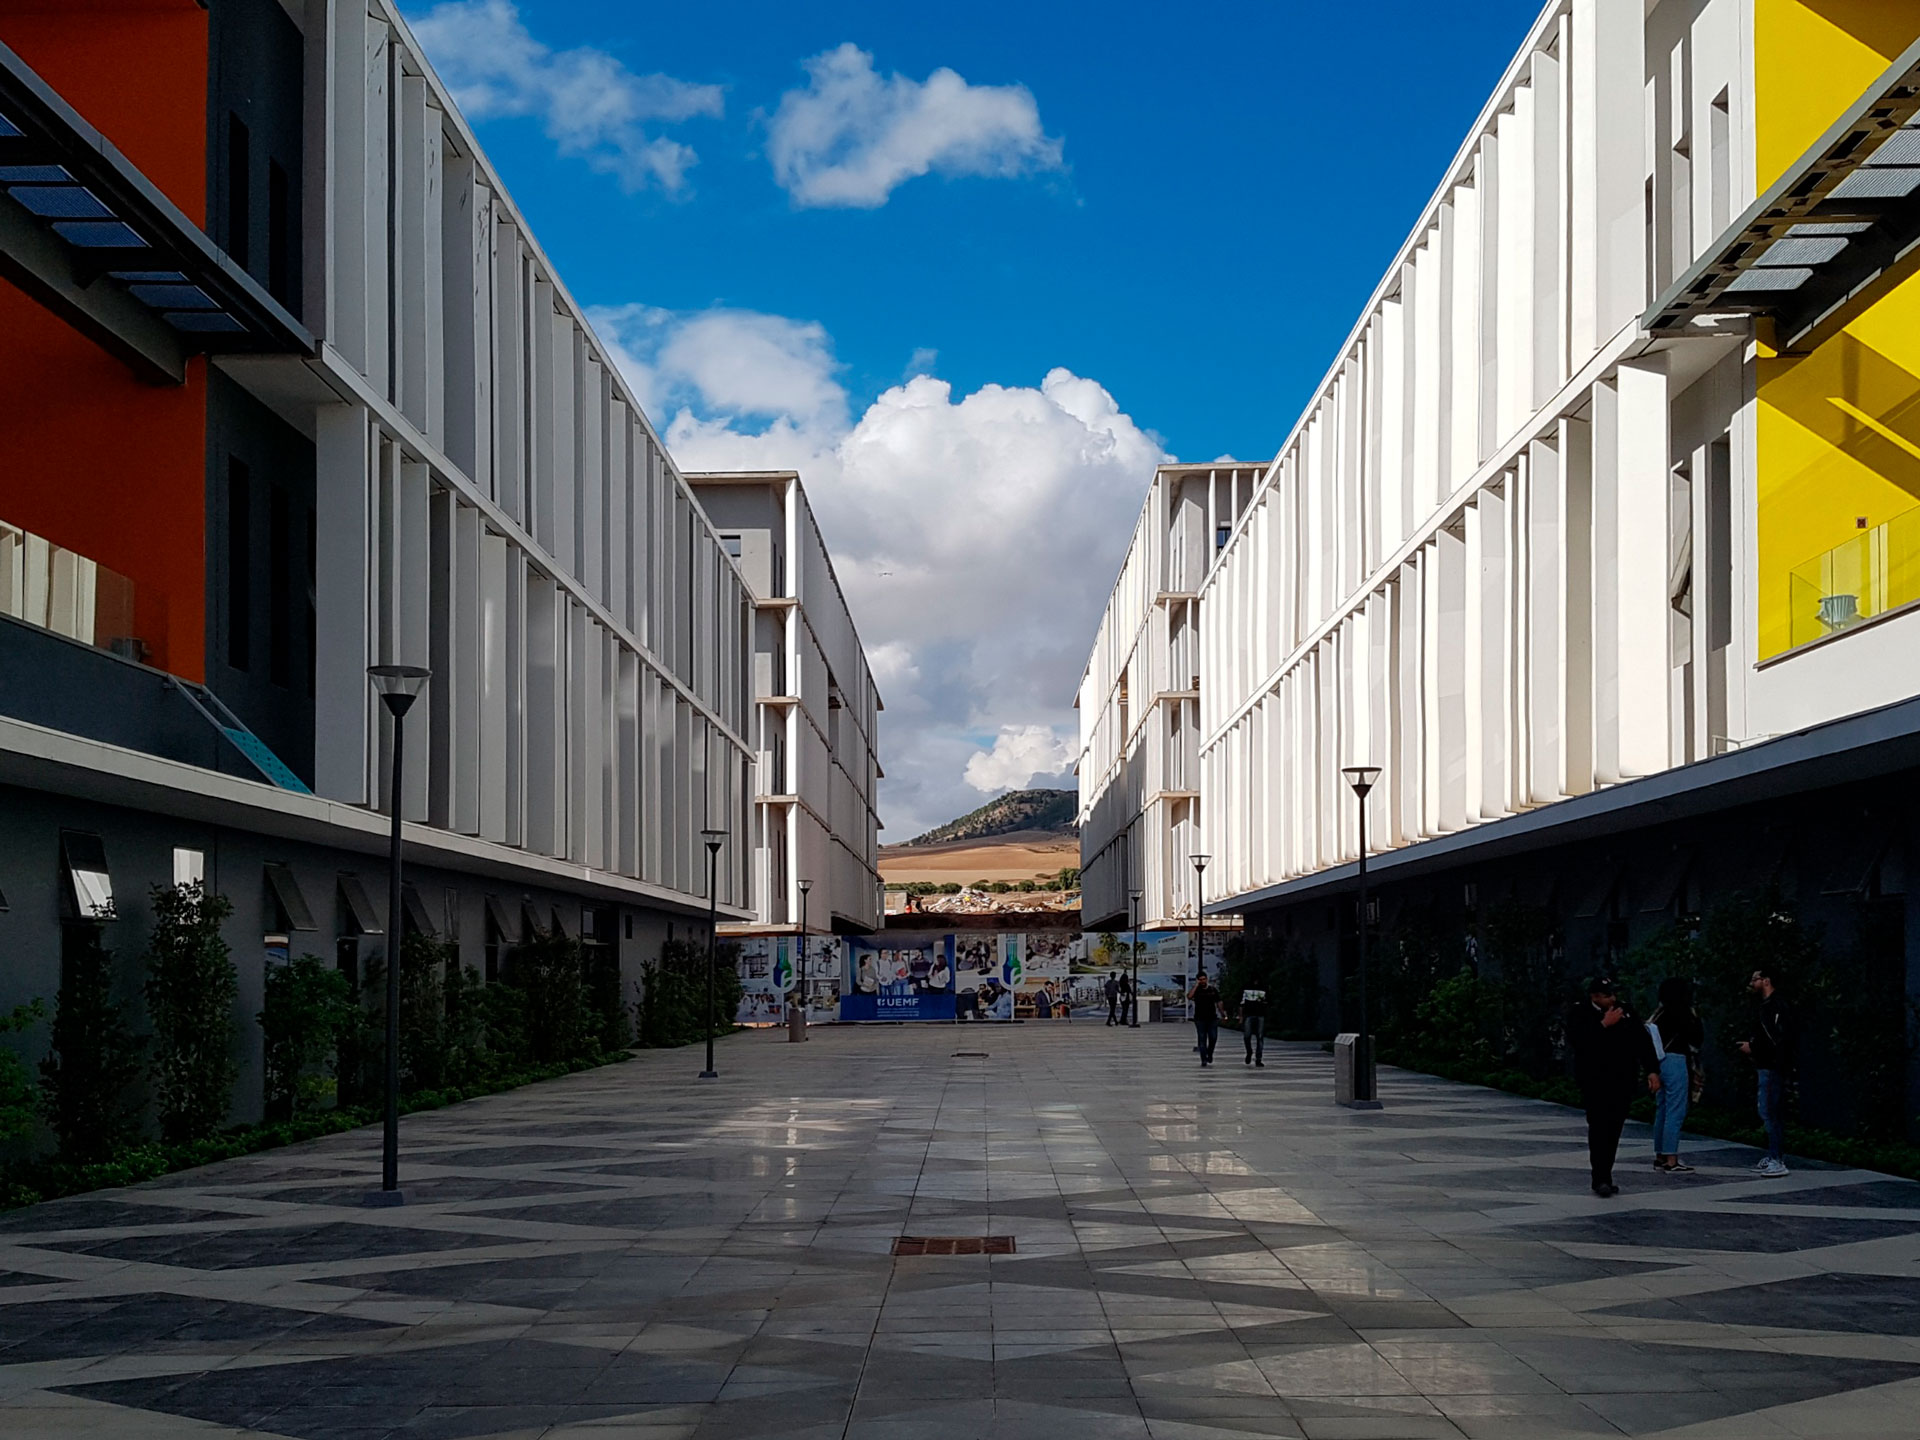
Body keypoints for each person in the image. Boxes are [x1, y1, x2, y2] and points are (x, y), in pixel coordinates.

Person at [1565, 977, 1660, 1197]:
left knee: (1614, 1128)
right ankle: (1600, 1178)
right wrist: (1603, 1025)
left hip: (1622, 1080)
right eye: (1607, 996)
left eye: (1613, 995)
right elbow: (1580, 1043)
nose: (1613, 999)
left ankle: (1605, 1171)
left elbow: (1642, 1042)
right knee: (1599, 1127)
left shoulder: (1625, 1011)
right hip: (1595, 1081)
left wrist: (1652, 1070)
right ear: (1595, 997)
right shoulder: (1580, 1013)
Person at [1738, 966, 1793, 1176]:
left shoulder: (1775, 1006)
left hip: (1772, 1065)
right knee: (1768, 1110)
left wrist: (1754, 1047)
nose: (1752, 983)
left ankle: (1777, 1158)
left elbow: (1777, 1038)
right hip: (1768, 1064)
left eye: (1755, 979)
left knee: (1770, 1110)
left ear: (1766, 981)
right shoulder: (1768, 1006)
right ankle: (1773, 1155)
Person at [1649, 977, 1703, 1173]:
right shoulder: (1683, 1013)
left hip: (1659, 1061)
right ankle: (1671, 1159)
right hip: (1676, 1060)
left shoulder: (1659, 1013)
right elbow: (1697, 1037)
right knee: (1676, 1109)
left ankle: (1660, 1155)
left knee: (1662, 1108)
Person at [1190, 971, 1220, 1066]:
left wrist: (1223, 1013)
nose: (1202, 981)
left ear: (1207, 979)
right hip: (1200, 1018)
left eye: (1204, 979)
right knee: (1202, 1039)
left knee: (1213, 1037)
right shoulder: (1196, 990)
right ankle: (1203, 1059)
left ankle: (1210, 1053)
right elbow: (1189, 996)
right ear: (1198, 980)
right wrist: (1196, 986)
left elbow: (1218, 1001)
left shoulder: (1212, 990)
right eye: (1200, 980)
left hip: (1212, 1018)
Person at [1240, 988, 1267, 1067]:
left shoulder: (1264, 987)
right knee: (1247, 1036)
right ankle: (1249, 1051)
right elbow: (1241, 1003)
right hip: (1249, 1014)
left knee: (1260, 1037)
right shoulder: (1246, 987)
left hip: (1260, 1014)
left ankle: (1258, 1059)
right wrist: (1241, 1016)